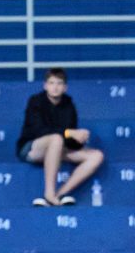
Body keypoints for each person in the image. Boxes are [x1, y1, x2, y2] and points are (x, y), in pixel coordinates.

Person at [16, 67, 104, 207]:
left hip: (58, 149)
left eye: (59, 83)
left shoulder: (69, 105)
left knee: (96, 156)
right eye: (51, 83)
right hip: (31, 148)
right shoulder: (35, 101)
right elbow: (38, 130)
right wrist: (69, 133)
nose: (55, 87)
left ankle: (59, 194)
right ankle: (49, 193)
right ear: (45, 86)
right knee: (56, 139)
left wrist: (79, 139)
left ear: (65, 87)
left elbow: (69, 139)